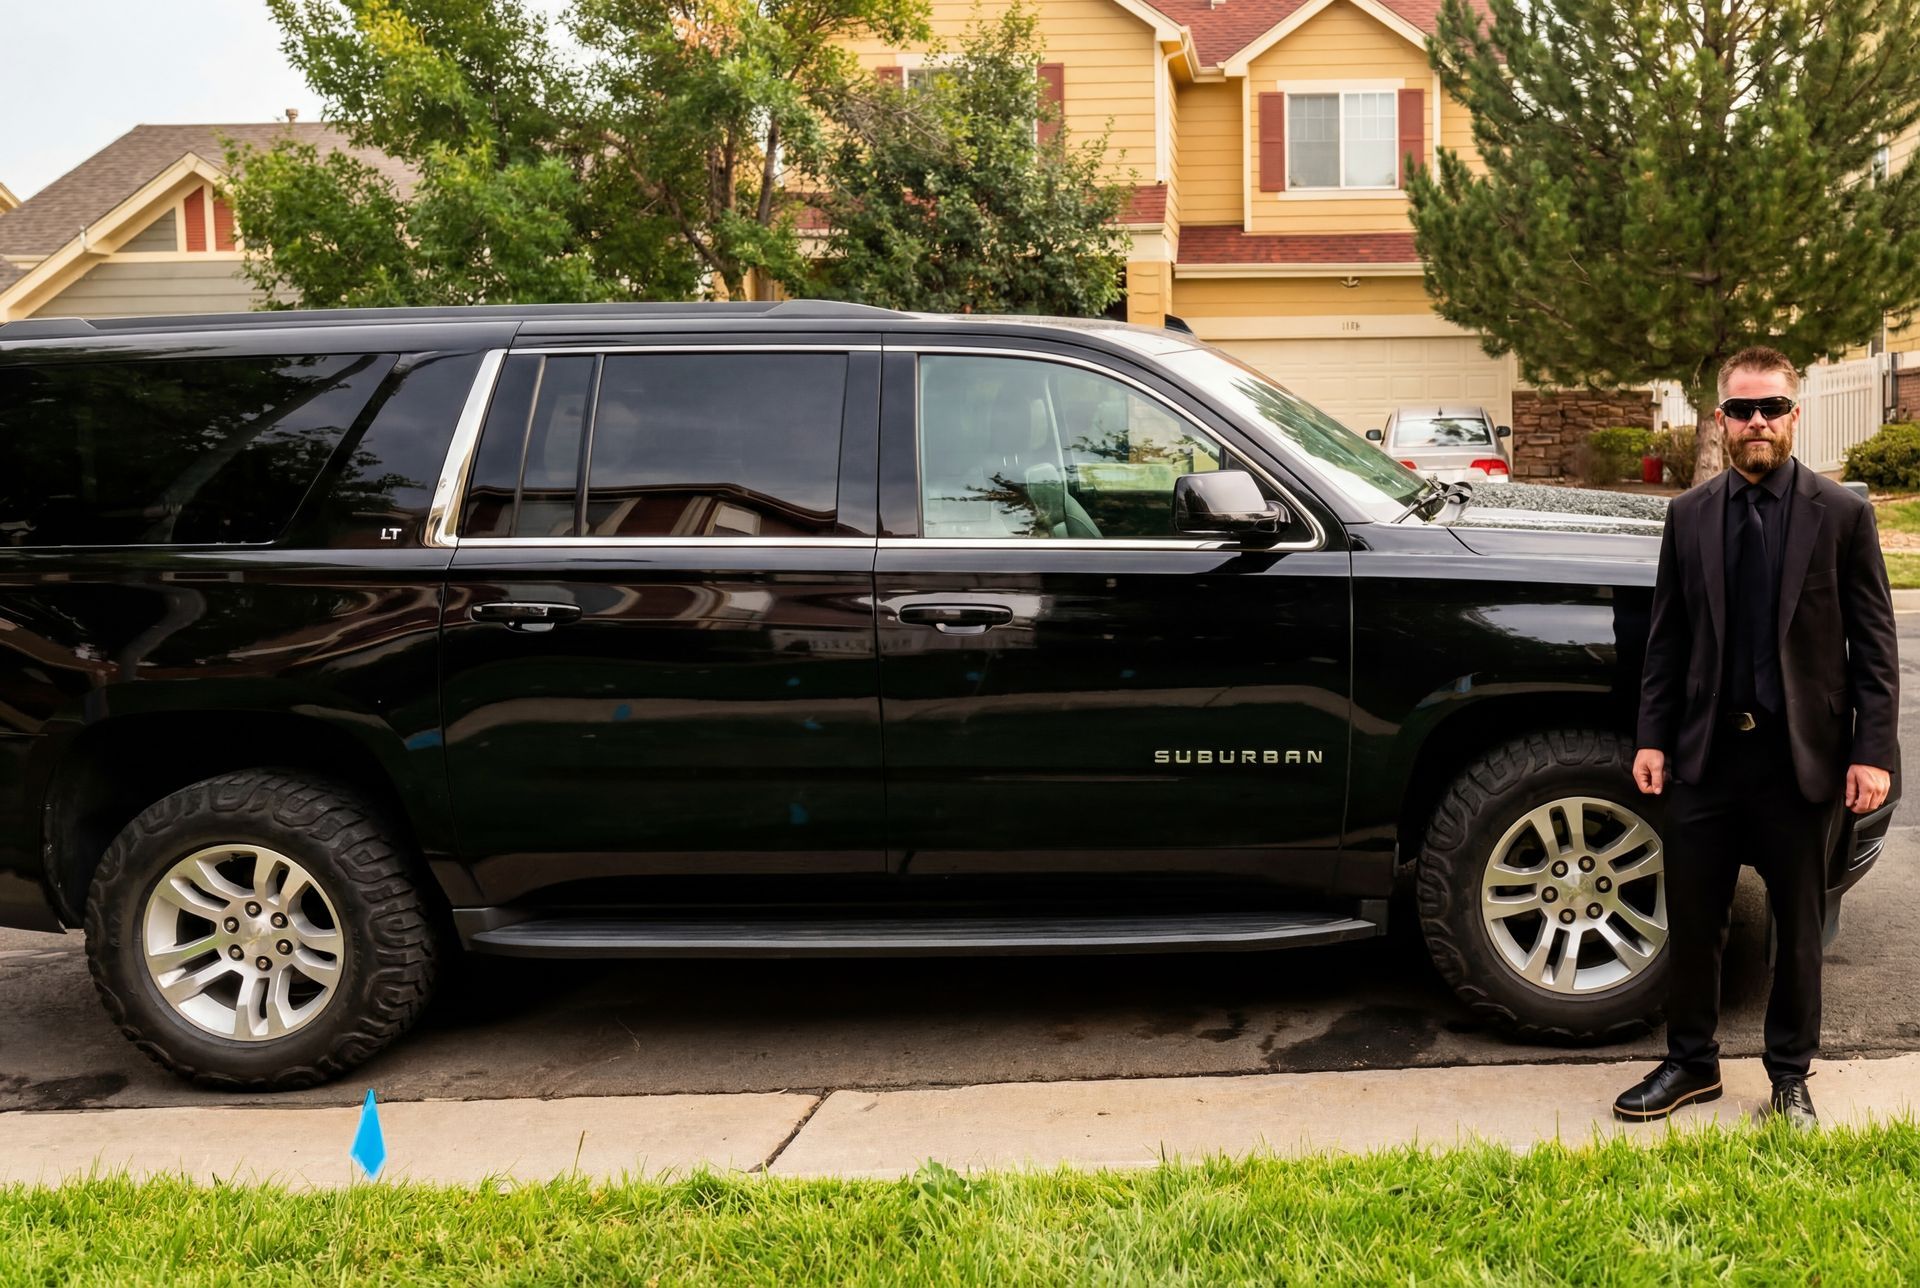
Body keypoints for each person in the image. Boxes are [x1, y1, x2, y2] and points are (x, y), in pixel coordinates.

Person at [1616, 345, 1899, 1129]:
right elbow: (1665, 641)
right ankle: (1691, 1064)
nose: (1757, 422)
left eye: (1771, 407)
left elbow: (1874, 647)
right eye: (1741, 410)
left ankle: (1788, 1077)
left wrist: (1872, 751)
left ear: (1794, 415)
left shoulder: (1841, 514)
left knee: (1798, 928)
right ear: (1721, 420)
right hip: (1706, 756)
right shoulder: (1689, 515)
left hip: (1800, 762)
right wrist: (1652, 737)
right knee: (1695, 920)